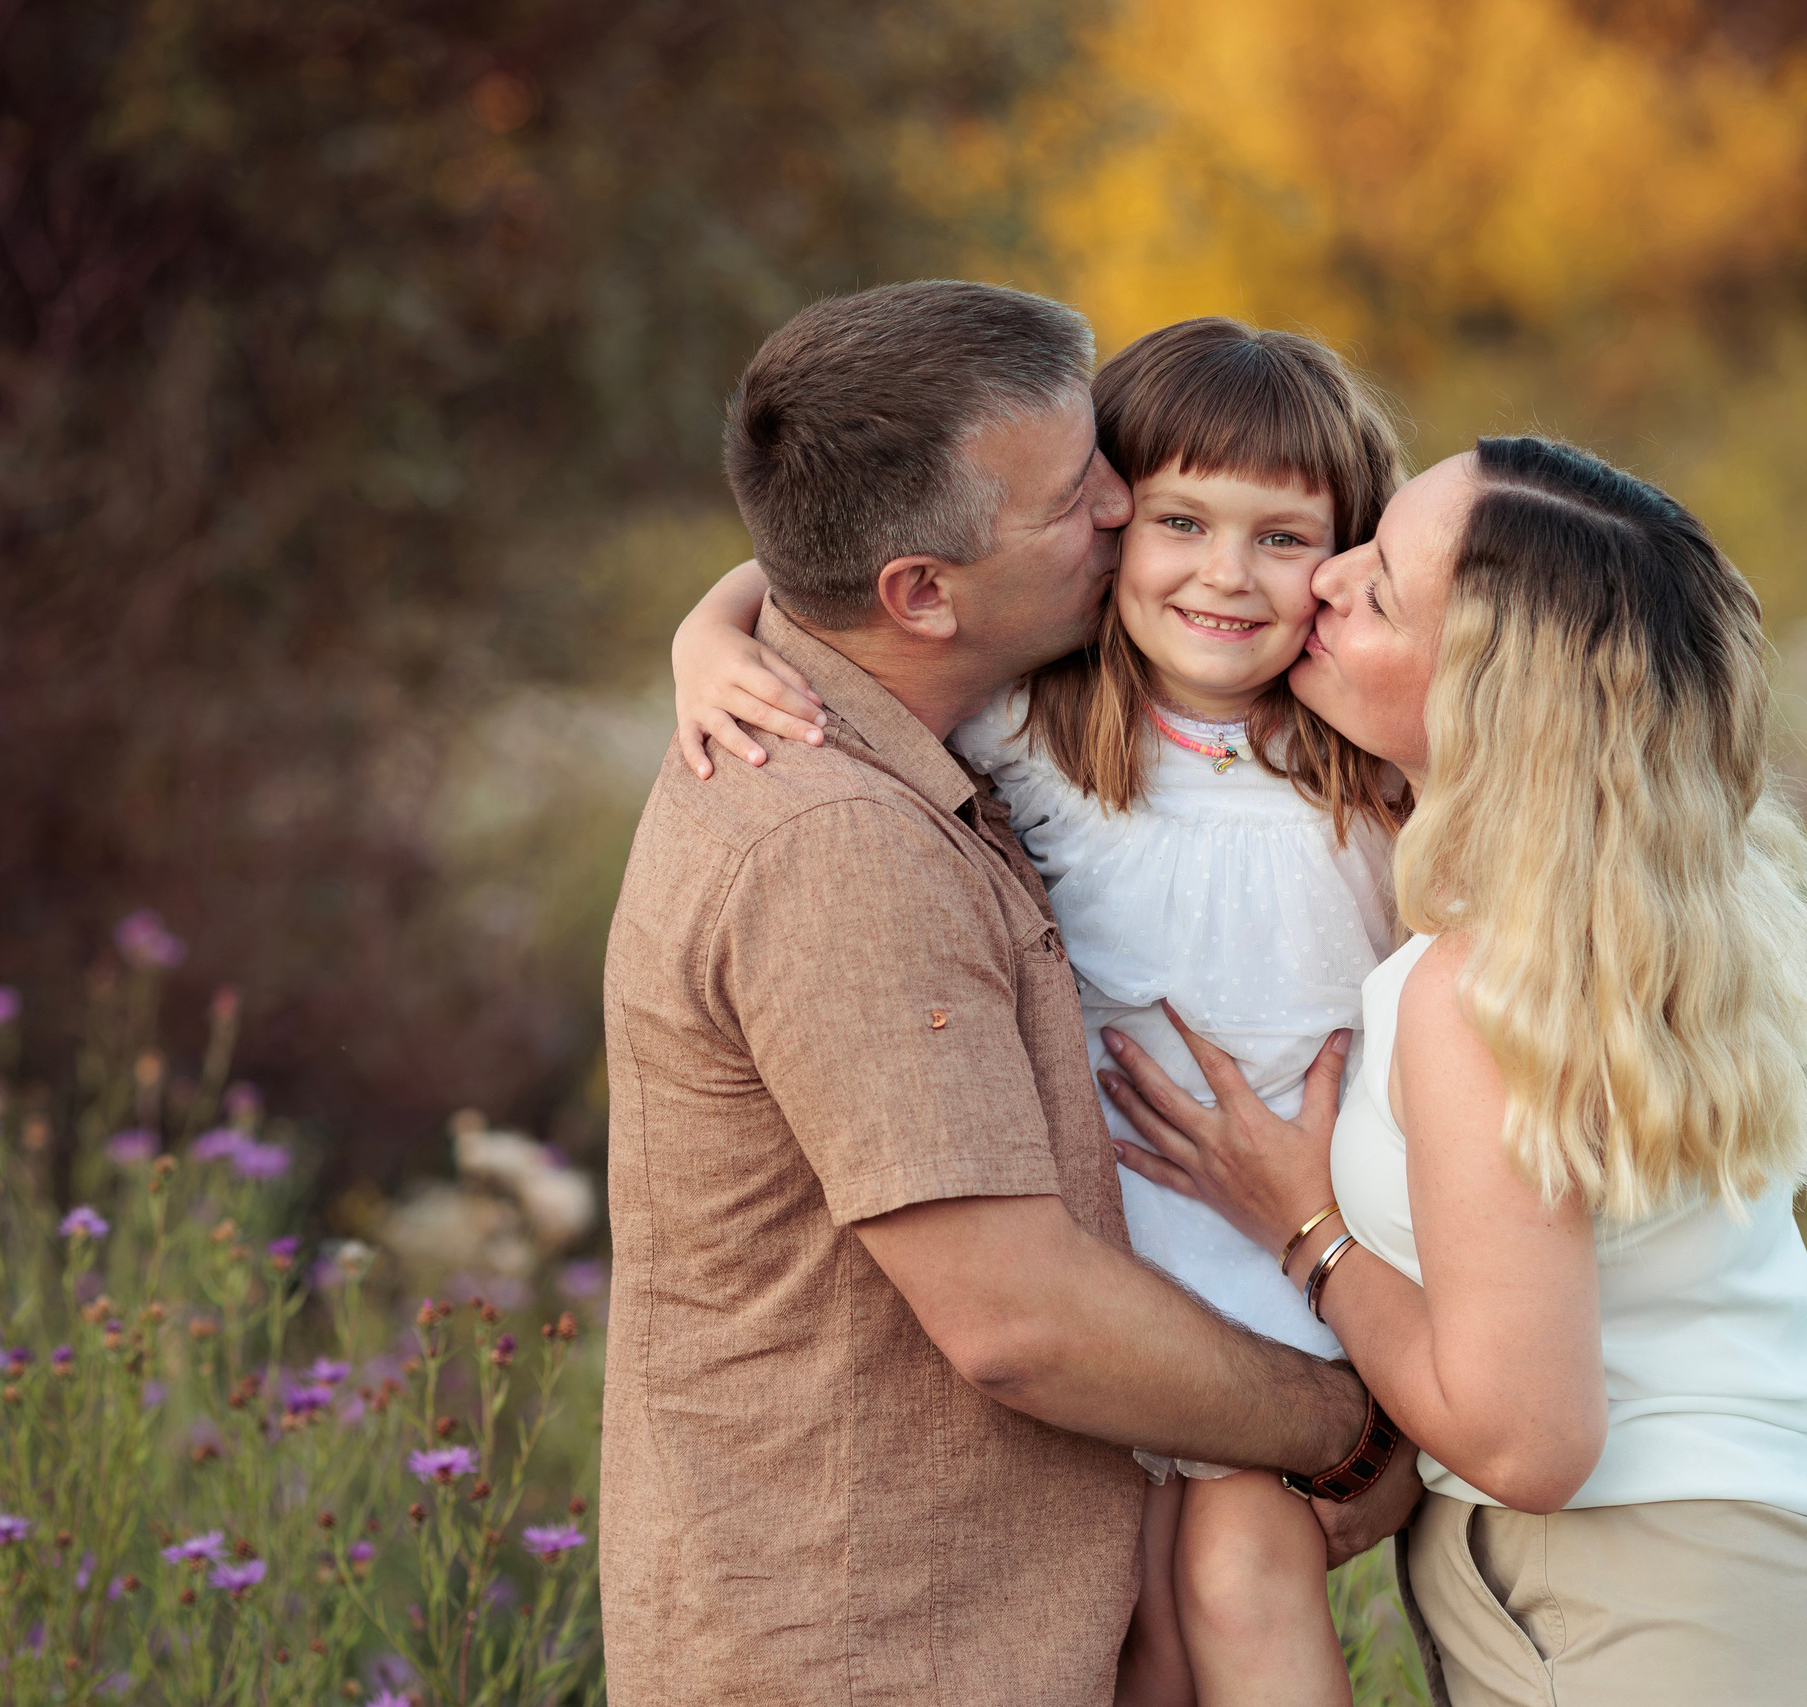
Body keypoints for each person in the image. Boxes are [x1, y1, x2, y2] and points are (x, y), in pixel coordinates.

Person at [601, 280, 1417, 1707]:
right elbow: (1020, 1318)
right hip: (872, 1640)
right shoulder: (840, 838)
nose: (1121, 511)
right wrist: (1358, 1422)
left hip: (1003, 1584)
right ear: (922, 590)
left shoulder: (921, 726)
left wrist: (718, 614)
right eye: (1084, 499)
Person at [1096, 438, 1807, 1704]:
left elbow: (1528, 1441)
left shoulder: (1480, 991)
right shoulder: (1635, 906)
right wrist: (728, 629)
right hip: (1771, 1597)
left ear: (1489, 702)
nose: (1321, 580)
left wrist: (1304, 1232)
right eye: (1365, 541)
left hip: (1644, 1619)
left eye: (1375, 589)